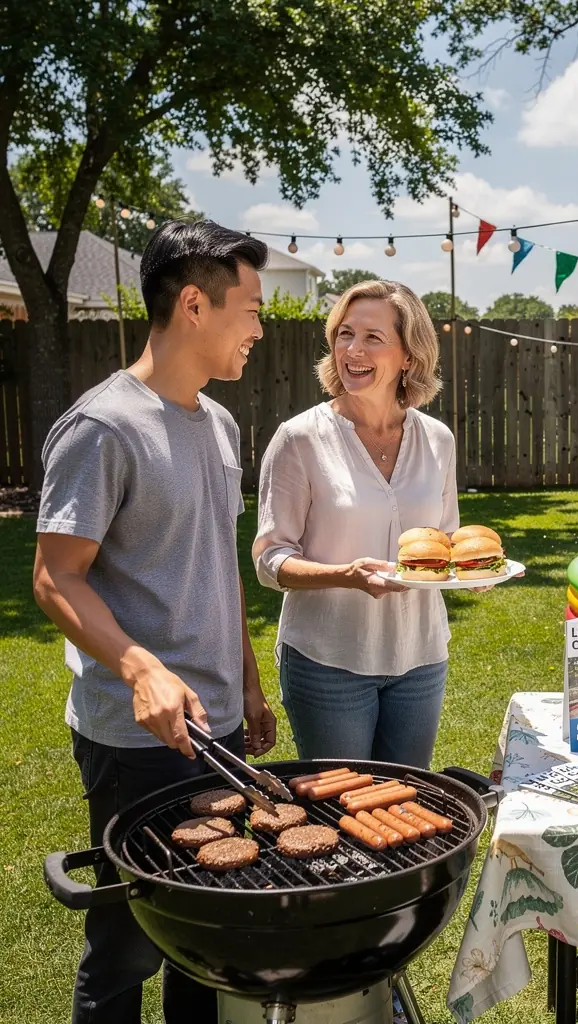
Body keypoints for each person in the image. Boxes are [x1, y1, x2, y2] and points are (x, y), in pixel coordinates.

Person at [32, 221, 276, 1024]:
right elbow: (55, 578)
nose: (261, 328)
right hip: (136, 736)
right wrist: (142, 669)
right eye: (252, 308)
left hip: (217, 725)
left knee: (204, 935)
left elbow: (216, 562)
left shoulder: (221, 424)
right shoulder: (104, 427)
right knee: (129, 944)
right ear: (196, 305)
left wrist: (248, 683)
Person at [253, 279, 463, 769]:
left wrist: (471, 571)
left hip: (421, 656)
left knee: (407, 802)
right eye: (344, 334)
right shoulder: (299, 439)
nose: (353, 349)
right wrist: (345, 575)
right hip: (328, 660)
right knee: (343, 811)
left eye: (373, 337)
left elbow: (446, 539)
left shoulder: (438, 440)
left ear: (409, 356)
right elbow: (269, 560)